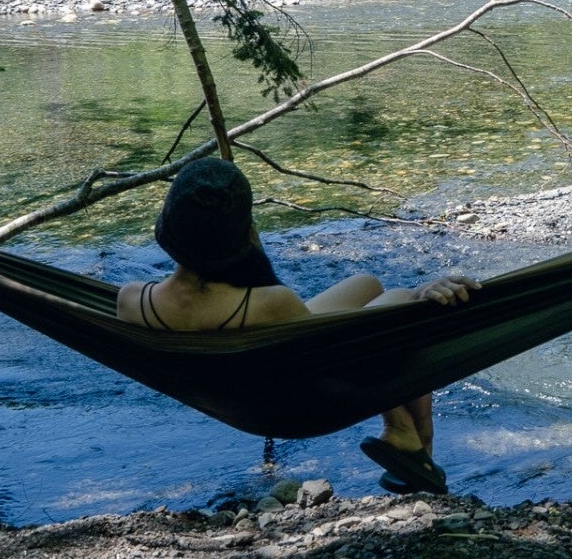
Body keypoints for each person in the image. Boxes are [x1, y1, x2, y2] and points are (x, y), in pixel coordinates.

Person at [117, 157, 480, 494]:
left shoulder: (131, 300)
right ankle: (405, 435)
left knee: (366, 284)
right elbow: (334, 358)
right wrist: (419, 294)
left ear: (169, 230)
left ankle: (414, 452)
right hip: (295, 400)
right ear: (242, 234)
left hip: (244, 389)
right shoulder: (271, 303)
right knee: (400, 303)